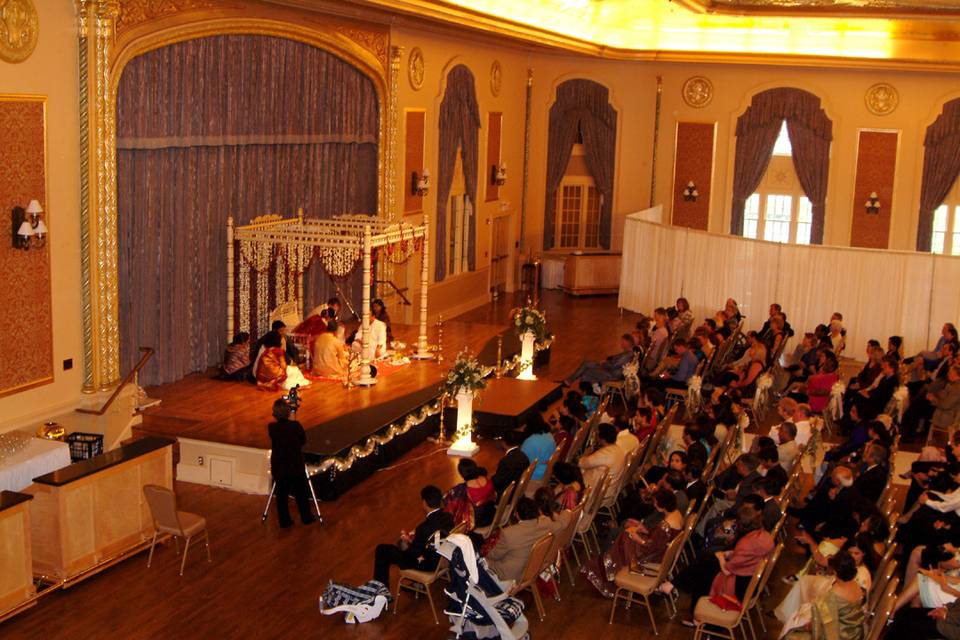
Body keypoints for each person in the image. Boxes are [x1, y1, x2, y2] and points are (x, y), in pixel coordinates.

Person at [582, 488, 683, 598]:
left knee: (626, 537)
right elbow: (659, 540)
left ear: (663, 505)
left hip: (655, 556)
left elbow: (650, 546)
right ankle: (608, 567)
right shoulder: (676, 514)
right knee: (626, 537)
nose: (654, 505)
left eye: (655, 503)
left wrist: (636, 537)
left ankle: (607, 571)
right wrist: (645, 530)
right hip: (661, 551)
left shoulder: (665, 525)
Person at [373, 485, 454, 586]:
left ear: (424, 503)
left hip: (428, 563)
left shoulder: (423, 528)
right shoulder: (448, 517)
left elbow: (413, 553)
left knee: (382, 550)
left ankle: (380, 591)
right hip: (443, 557)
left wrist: (405, 543)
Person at [782, 551, 865, 640]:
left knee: (790, 635)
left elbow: (826, 628)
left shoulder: (834, 595)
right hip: (856, 632)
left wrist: (810, 626)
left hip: (842, 636)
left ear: (835, 572)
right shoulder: (857, 586)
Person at [485, 497, 564, 582]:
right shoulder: (546, 523)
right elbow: (561, 523)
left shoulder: (508, 533)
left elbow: (493, 555)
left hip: (511, 575)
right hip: (534, 568)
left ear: (517, 514)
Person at [267, 399, 314, 528]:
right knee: (301, 493)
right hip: (295, 464)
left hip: (279, 466)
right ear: (288, 412)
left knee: (282, 495)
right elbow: (302, 440)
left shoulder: (272, 428)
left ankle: (284, 521)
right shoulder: (296, 426)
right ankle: (306, 517)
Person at [564, 334, 636, 387]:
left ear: (627, 343)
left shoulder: (627, 355)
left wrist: (604, 363)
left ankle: (590, 388)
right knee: (587, 363)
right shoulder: (627, 352)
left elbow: (614, 366)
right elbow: (615, 360)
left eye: (622, 342)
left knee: (587, 371)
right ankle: (570, 380)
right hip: (610, 369)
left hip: (611, 373)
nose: (621, 343)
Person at [579, 423, 626, 502]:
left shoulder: (604, 454)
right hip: (610, 488)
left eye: (597, 434)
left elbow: (582, 463)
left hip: (598, 491)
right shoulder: (620, 450)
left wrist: (585, 454)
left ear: (602, 439)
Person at [444, 459, 496, 529]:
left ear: (462, 474)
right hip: (493, 514)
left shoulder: (462, 489)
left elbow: (448, 500)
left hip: (478, 522)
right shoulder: (487, 480)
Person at [520, 413, 557, 482]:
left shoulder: (529, 442)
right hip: (550, 468)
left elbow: (523, 463)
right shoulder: (549, 434)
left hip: (535, 476)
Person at [492, 430, 531, 496]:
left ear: (504, 443)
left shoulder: (506, 461)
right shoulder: (524, 456)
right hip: (517, 491)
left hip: (506, 496)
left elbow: (496, 482)